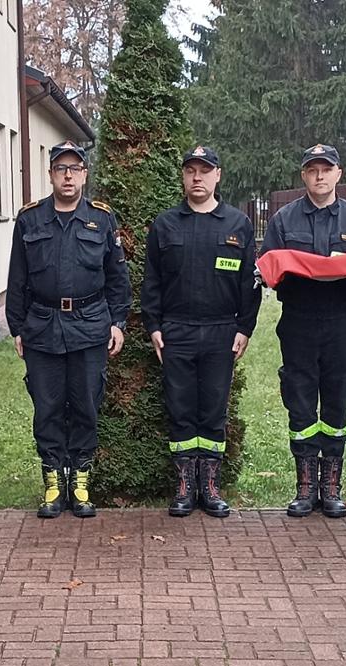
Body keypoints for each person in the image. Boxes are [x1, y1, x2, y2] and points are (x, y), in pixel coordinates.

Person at [6, 142, 130, 519]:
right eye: (61, 168)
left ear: (85, 174)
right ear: (50, 174)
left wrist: (118, 322)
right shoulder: (29, 220)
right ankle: (52, 482)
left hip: (90, 326)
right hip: (42, 327)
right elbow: (17, 278)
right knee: (46, 408)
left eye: (75, 168)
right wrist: (17, 327)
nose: (68, 175)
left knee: (85, 407)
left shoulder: (102, 219)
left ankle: (80, 481)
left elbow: (117, 278)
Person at [140, 146, 259, 518]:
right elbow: (152, 282)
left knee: (212, 411)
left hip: (222, 331)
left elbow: (249, 283)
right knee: (180, 410)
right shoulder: (165, 225)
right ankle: (184, 487)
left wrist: (245, 328)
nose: (197, 177)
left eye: (204, 171)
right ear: (183, 177)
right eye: (190, 171)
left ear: (217, 176)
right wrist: (154, 326)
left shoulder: (237, 224)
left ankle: (209, 486)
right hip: (176, 331)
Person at [262, 144, 346, 519]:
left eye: (326, 169)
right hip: (297, 319)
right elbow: (266, 268)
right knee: (299, 400)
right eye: (312, 170)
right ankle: (305, 486)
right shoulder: (284, 219)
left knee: (336, 400)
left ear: (338, 174)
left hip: (340, 319)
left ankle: (331, 487)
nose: (319, 176)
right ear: (304, 176)